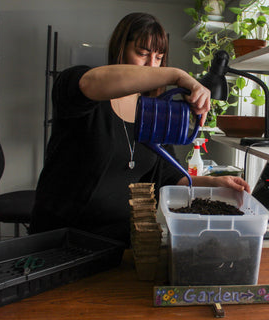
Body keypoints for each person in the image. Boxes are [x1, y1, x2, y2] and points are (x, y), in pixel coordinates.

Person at [29, 12, 250, 246]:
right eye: (142, 53)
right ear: (120, 48)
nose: (152, 65)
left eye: (159, 57)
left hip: (119, 241)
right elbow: (89, 82)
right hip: (62, 238)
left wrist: (215, 183)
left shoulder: (155, 113)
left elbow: (168, 176)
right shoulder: (82, 89)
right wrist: (177, 75)